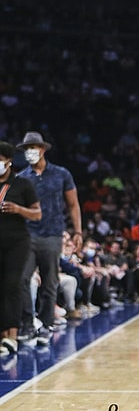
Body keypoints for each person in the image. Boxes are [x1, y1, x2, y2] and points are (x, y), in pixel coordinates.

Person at [16, 131, 83, 345]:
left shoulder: (62, 174)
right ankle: (27, 325)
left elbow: (73, 204)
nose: (29, 152)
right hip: (27, 235)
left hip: (53, 234)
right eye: (26, 149)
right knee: (22, 279)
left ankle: (46, 325)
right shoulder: (21, 178)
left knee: (50, 282)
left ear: (42, 149)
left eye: (32, 148)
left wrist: (78, 231)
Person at [0, 141, 42, 356]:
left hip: (17, 241)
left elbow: (37, 214)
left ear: (8, 161)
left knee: (12, 285)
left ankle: (12, 335)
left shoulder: (22, 184)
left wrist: (18, 209)